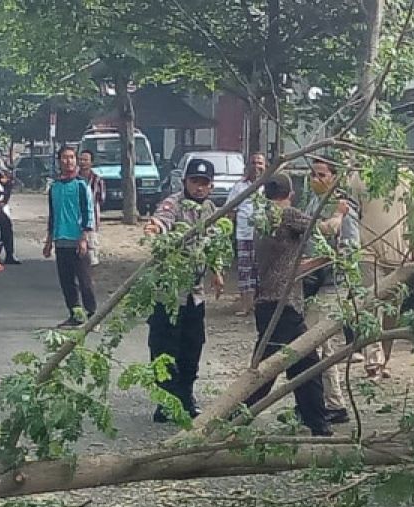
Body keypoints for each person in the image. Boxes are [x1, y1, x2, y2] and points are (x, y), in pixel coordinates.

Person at [243, 172, 342, 437]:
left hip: (271, 302)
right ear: (291, 194)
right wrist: (340, 213)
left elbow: (286, 267)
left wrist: (323, 260)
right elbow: (325, 228)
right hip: (281, 305)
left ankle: (317, 423)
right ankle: (233, 418)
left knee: (306, 365)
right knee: (265, 372)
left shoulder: (262, 220)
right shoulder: (286, 216)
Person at [143, 157, 226, 422]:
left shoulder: (211, 209)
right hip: (169, 293)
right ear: (185, 182)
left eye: (204, 183)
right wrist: (154, 228)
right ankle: (165, 401)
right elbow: (162, 220)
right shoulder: (174, 203)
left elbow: (213, 244)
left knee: (192, 346)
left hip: (195, 294)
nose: (199, 188)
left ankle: (186, 396)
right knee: (164, 348)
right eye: (194, 182)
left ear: (210, 186)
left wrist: (218, 271)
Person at [351, 166, 414, 380]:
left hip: (400, 253)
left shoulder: (407, 176)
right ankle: (373, 363)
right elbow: (351, 212)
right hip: (368, 251)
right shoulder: (360, 174)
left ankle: (385, 359)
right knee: (371, 305)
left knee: (393, 310)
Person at [303, 156, 360, 425]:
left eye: (322, 175)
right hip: (312, 281)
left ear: (334, 177)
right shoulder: (315, 202)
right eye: (313, 175)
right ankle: (321, 400)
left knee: (320, 343)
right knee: (315, 344)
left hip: (332, 283)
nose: (316, 180)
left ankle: (334, 404)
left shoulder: (343, 207)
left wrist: (329, 266)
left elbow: (350, 249)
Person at [43, 145, 96, 328]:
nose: (69, 161)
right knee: (67, 282)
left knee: (85, 281)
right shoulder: (55, 187)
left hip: (77, 240)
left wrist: (83, 237)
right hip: (61, 240)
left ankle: (93, 315)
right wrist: (49, 241)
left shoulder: (81, 185)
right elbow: (53, 215)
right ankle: (75, 314)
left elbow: (88, 212)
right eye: (65, 158)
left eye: (72, 157)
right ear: (59, 161)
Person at [228, 152, 267, 316]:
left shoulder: (269, 186)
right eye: (253, 162)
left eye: (260, 163)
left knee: (261, 270)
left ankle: (260, 305)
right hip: (244, 234)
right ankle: (246, 306)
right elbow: (230, 209)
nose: (256, 166)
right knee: (245, 270)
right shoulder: (240, 186)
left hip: (263, 235)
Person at [78, 150, 106, 267]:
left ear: (91, 163)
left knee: (92, 242)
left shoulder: (97, 180)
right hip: (76, 216)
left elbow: (102, 198)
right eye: (81, 159)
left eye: (86, 160)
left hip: (92, 216)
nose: (83, 162)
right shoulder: (74, 178)